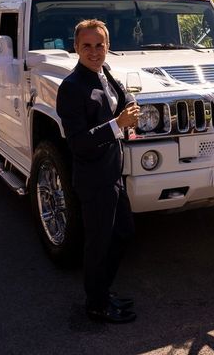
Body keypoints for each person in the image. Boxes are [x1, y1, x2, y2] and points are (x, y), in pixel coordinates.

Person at [57, 19, 140, 324]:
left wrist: (130, 105)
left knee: (123, 233)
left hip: (113, 174)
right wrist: (117, 125)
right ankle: (96, 305)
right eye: (87, 46)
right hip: (94, 179)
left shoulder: (105, 73)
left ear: (108, 46)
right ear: (76, 47)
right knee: (98, 244)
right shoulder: (71, 87)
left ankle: (102, 292)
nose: (94, 51)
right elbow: (78, 143)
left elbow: (121, 96)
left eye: (100, 45)